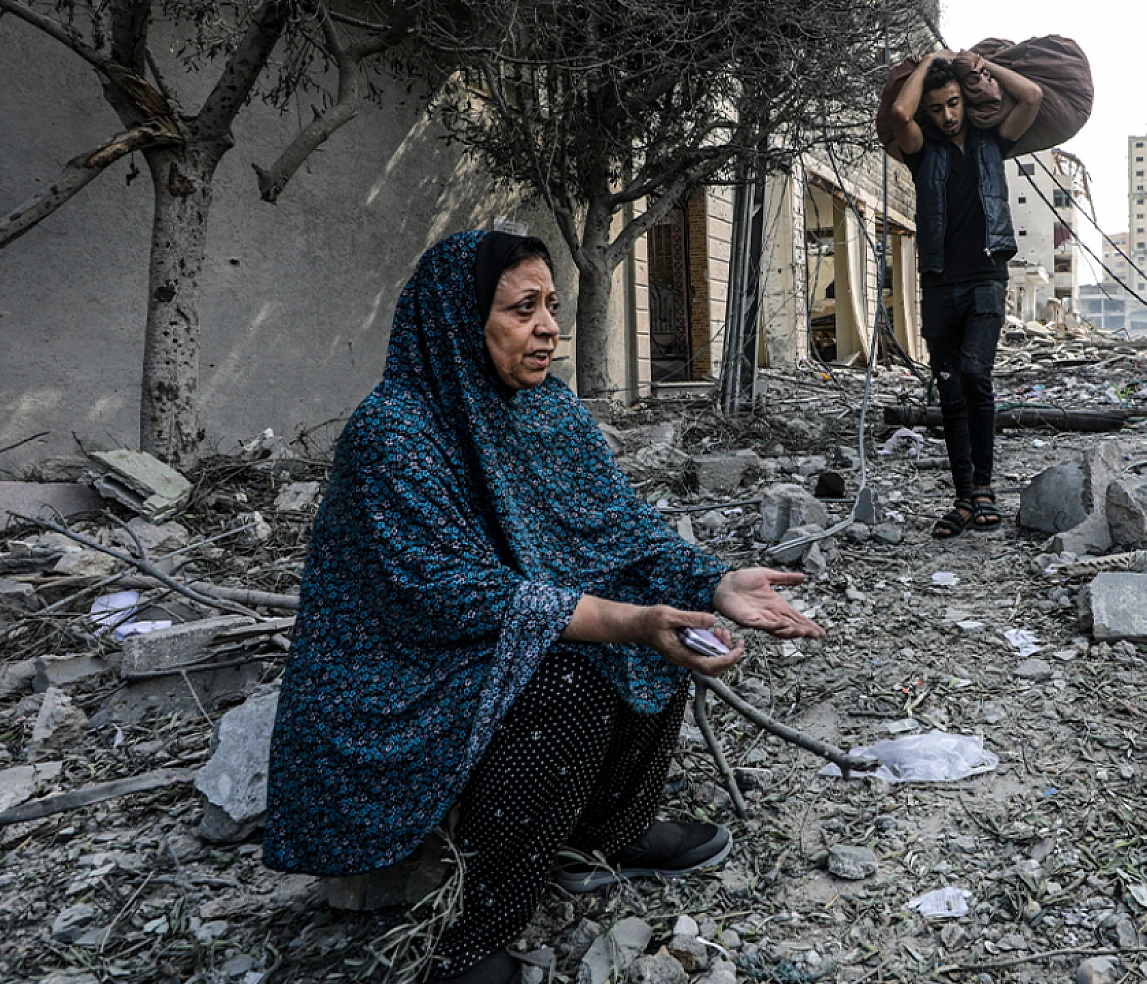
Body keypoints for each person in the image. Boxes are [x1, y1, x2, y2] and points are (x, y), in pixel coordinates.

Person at [261, 230, 825, 984]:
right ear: (460, 320)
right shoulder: (396, 431)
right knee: (573, 677)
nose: (550, 328)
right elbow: (441, 593)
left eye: (552, 306)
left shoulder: (547, 411)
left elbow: (620, 532)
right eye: (523, 308)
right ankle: (473, 939)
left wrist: (712, 584)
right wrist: (621, 620)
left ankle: (607, 830)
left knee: (656, 623)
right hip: (400, 673)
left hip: (503, 630)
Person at [881, 50, 1042, 538]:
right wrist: (930, 60)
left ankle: (985, 487)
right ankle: (964, 498)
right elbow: (898, 115)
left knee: (975, 373)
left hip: (986, 280)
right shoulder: (920, 150)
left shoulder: (995, 142)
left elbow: (1031, 95)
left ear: (966, 101)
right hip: (938, 285)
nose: (947, 116)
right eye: (937, 108)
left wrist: (978, 64)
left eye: (953, 103)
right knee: (950, 391)